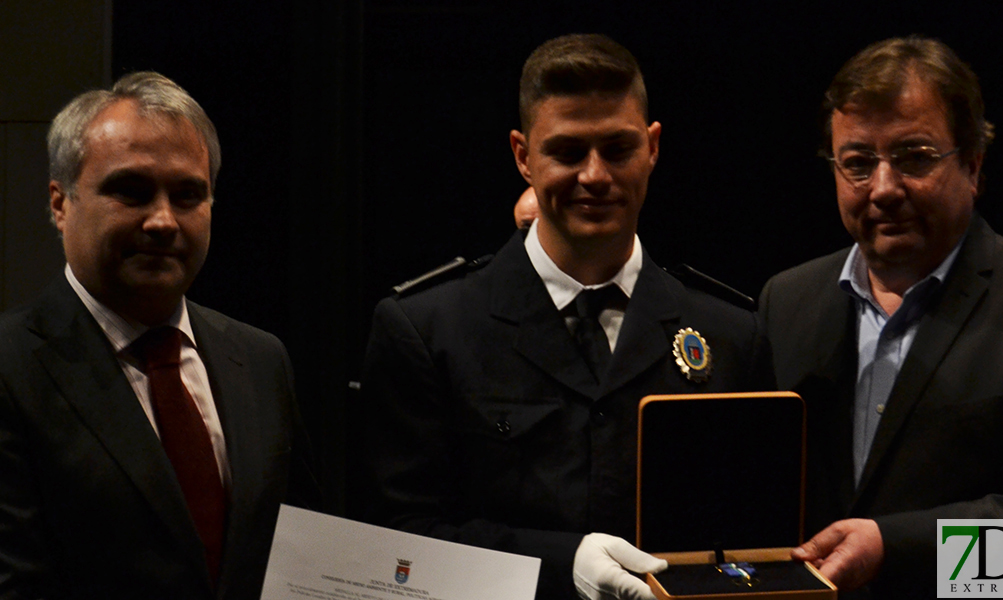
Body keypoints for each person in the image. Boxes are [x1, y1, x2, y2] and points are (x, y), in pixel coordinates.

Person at [356, 34, 768, 600]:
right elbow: (394, 546)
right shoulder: (429, 330)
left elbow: (755, 542)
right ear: (523, 156)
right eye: (568, 152)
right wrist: (560, 564)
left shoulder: (731, 332)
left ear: (652, 148)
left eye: (617, 149)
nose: (595, 176)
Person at [759, 37, 1003, 598]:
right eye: (857, 163)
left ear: (973, 165)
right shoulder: (786, 301)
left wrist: (890, 551)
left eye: (914, 158)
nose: (883, 188)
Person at [0, 72, 317, 599]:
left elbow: (304, 556)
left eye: (188, 194)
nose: (164, 221)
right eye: (132, 191)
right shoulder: (11, 368)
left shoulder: (262, 361)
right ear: (60, 204)